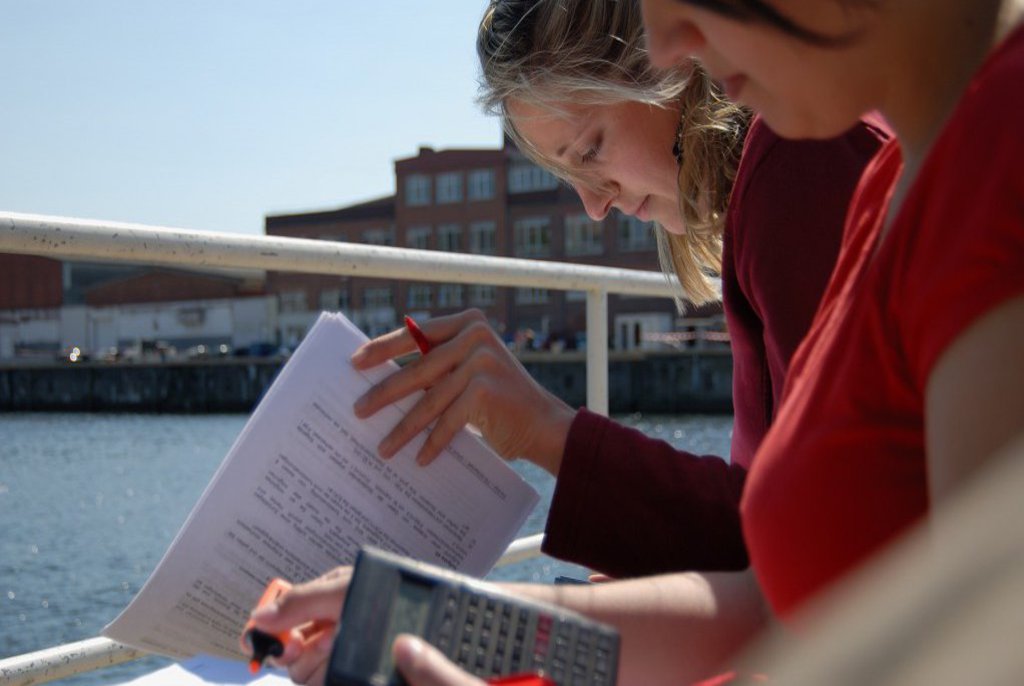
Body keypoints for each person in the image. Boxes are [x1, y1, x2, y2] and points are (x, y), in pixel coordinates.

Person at [250, 0, 1024, 683]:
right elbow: (780, 589)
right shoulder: (893, 178)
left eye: (588, 149)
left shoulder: (844, 160)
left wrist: (551, 441)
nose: (669, 39)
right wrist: (451, 620)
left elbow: (944, 622)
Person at [350, 0, 886, 578]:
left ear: (670, 64)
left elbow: (816, 546)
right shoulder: (788, 168)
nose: (596, 205)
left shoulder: (800, 168)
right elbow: (783, 523)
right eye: (571, 176)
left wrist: (546, 430)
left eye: (590, 151)